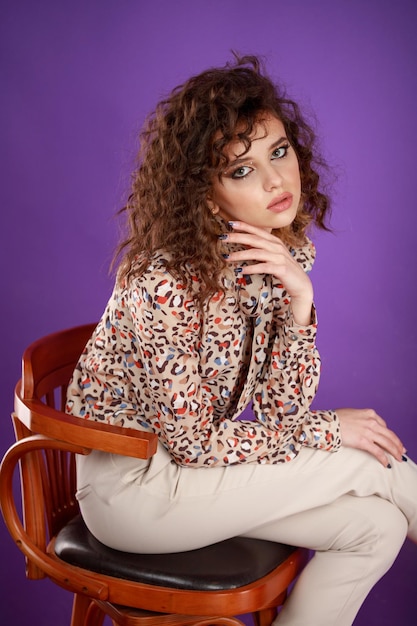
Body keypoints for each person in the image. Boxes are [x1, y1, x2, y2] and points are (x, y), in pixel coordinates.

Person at [66, 55, 417, 625]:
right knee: (365, 465)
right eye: (241, 170)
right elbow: (193, 443)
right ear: (205, 194)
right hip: (137, 492)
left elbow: (280, 411)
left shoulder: (274, 260)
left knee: (375, 526)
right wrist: (331, 431)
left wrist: (300, 302)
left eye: (278, 151)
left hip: (200, 474)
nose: (276, 180)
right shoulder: (162, 282)